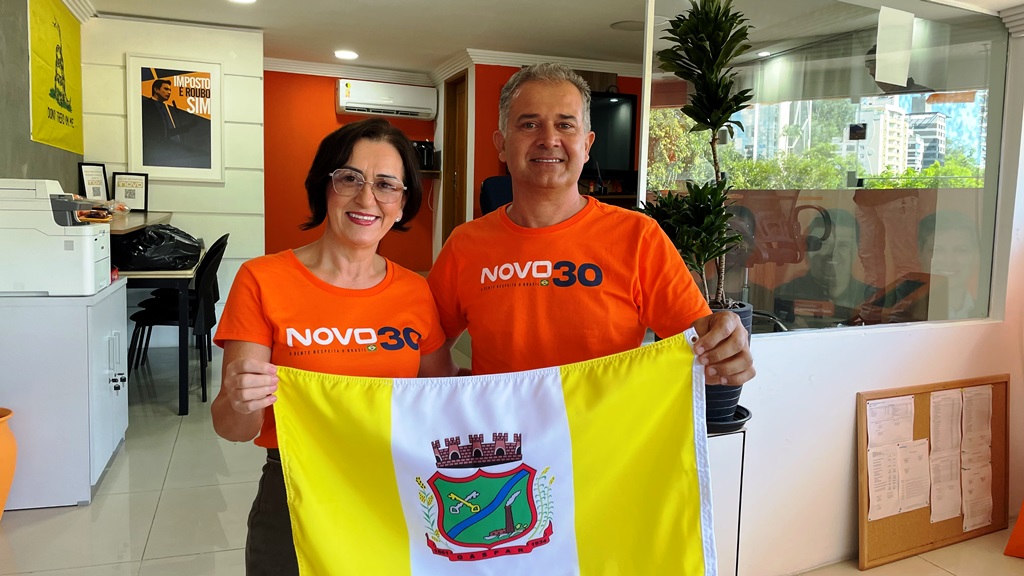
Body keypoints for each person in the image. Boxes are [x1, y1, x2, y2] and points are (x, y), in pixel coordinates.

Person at [211, 118, 457, 576]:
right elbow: (233, 427)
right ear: (324, 187)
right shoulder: (262, 280)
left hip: (395, 490)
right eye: (350, 179)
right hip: (296, 490)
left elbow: (440, 402)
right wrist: (240, 399)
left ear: (403, 204)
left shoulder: (415, 291)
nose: (367, 198)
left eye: (386, 185)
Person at [427, 63, 754, 386]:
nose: (549, 139)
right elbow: (426, 348)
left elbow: (701, 345)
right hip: (502, 424)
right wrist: (461, 389)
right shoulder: (465, 244)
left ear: (586, 145)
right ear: (501, 144)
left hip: (605, 423)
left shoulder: (638, 237)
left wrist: (725, 343)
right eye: (529, 124)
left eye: (565, 125)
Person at [774, 209, 874, 328]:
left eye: (843, 245)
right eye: (824, 244)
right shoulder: (784, 295)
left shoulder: (869, 298)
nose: (832, 254)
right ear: (808, 252)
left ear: (856, 252)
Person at [918, 211, 982, 319]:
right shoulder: (901, 316)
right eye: (937, 250)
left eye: (960, 250)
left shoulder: (987, 314)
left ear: (976, 256)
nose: (949, 261)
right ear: (920, 254)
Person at [140, 78, 210, 168]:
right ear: (156, 89)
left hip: (164, 146)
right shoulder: (146, 105)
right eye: (166, 89)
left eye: (170, 90)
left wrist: (188, 127)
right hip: (154, 149)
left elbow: (165, 132)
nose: (169, 92)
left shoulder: (162, 107)